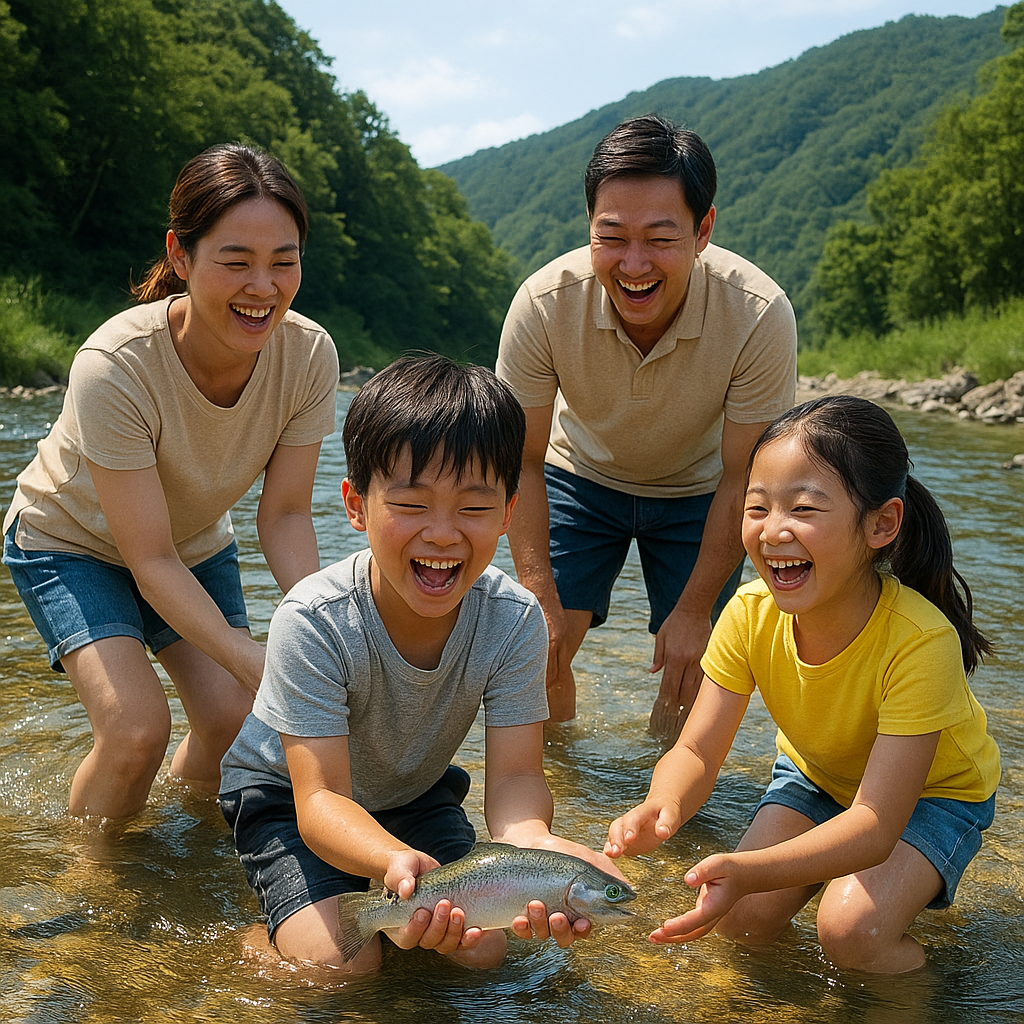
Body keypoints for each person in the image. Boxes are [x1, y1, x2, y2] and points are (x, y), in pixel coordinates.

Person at [219, 354, 628, 975]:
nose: (442, 534)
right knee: (340, 969)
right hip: (290, 798)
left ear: (508, 512)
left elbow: (516, 782)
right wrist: (392, 862)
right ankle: (262, 937)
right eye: (411, 505)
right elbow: (321, 795)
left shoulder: (514, 620)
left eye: (473, 506)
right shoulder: (314, 619)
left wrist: (537, 848)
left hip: (415, 794)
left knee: (482, 951)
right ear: (356, 507)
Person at [605, 395, 1001, 973]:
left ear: (880, 524)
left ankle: (938, 987)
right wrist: (661, 806)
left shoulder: (920, 639)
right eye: (757, 507)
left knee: (852, 932)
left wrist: (749, 871)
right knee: (739, 924)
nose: (773, 532)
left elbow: (874, 825)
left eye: (805, 509)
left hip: (933, 796)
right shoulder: (748, 612)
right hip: (818, 777)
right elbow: (696, 749)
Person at [2, 143, 339, 821]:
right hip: (68, 543)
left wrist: (323, 630)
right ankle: (89, 880)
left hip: (188, 542)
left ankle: (173, 834)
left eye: (284, 262)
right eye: (236, 261)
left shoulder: (309, 356)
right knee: (135, 732)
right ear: (181, 257)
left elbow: (285, 517)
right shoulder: (115, 364)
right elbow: (145, 558)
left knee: (232, 717)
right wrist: (247, 653)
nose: (263, 287)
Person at [496, 114, 798, 735]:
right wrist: (539, 592)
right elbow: (518, 460)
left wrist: (692, 613)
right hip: (578, 477)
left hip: (702, 490)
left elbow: (747, 476)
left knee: (696, 673)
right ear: (589, 229)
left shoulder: (758, 313)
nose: (634, 264)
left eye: (661, 238)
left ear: (703, 229)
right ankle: (559, 787)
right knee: (537, 651)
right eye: (612, 236)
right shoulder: (544, 303)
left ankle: (669, 819)